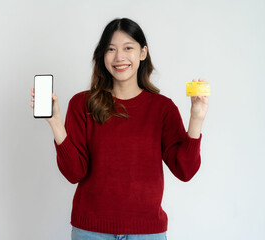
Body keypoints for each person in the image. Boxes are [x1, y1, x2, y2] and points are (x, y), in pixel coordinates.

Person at [30, 18, 209, 240]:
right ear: (102, 56)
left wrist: (196, 118)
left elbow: (185, 171)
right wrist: (56, 122)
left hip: (147, 233)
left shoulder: (162, 108)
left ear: (143, 53)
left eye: (128, 48)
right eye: (111, 49)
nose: (119, 57)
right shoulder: (81, 104)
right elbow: (74, 173)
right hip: (91, 232)